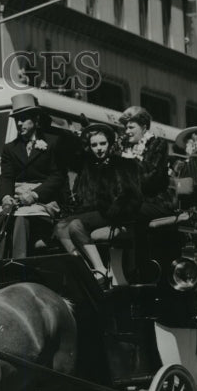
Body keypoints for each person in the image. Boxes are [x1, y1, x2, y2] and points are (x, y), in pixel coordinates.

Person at [53, 122, 141, 287]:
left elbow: (131, 195)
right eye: (94, 145)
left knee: (74, 226)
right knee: (59, 227)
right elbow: (63, 153)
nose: (99, 148)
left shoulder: (122, 164)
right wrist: (72, 135)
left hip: (114, 214)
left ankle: (99, 270)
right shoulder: (88, 165)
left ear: (109, 144)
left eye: (102, 143)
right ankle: (87, 269)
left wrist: (115, 211)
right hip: (94, 213)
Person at [0, 93, 67, 258]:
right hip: (18, 199)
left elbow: (58, 176)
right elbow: (6, 177)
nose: (19, 123)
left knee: (21, 218)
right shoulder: (9, 148)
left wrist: (35, 194)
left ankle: (19, 263)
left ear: (35, 120)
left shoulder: (52, 143)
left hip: (45, 200)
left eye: (24, 119)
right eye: (17, 120)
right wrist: (6, 197)